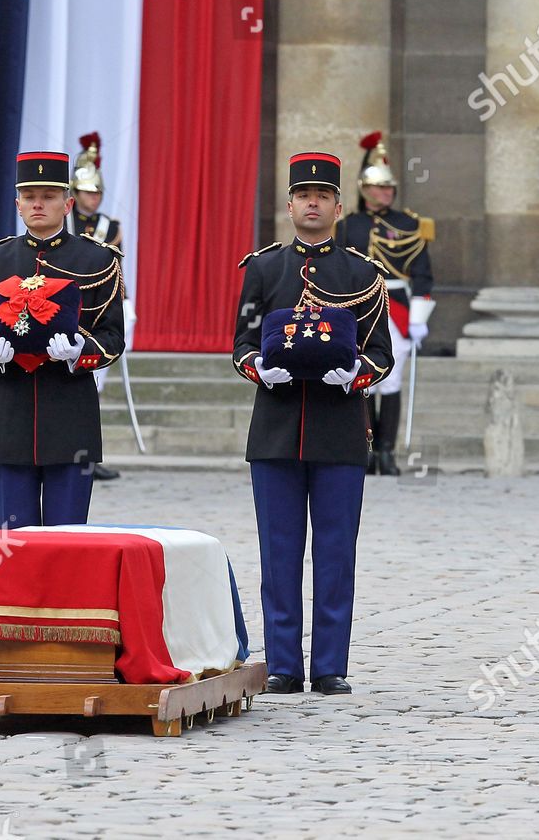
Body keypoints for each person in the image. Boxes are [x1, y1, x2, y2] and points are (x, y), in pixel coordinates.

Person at [233, 152, 393, 696]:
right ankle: (281, 663)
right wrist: (261, 369)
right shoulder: (263, 268)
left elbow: (381, 355)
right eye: (304, 196)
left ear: (339, 206)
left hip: (339, 429)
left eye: (323, 196)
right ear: (290, 205)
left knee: (335, 550)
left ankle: (329, 665)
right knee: (278, 552)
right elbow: (242, 344)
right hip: (276, 427)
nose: (313, 203)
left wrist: (353, 375)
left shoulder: (363, 273)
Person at [0, 151, 126, 528]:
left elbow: (113, 336)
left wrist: (78, 352)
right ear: (17, 203)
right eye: (30, 195)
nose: (38, 204)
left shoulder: (96, 259)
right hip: (9, 411)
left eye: (49, 196)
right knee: (14, 540)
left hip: (70, 412)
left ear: (67, 203)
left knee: (66, 540)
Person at [334, 131, 434, 476]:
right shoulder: (348, 226)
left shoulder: (409, 224)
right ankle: (366, 450)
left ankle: (388, 451)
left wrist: (420, 315)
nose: (386, 192)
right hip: (360, 304)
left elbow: (422, 272)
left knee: (391, 381)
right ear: (365, 190)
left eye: (389, 187)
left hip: (398, 305)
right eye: (379, 187)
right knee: (363, 378)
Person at [67, 132, 126, 481]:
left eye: (98, 192)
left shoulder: (110, 227)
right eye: (88, 191)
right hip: (63, 307)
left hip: (99, 309)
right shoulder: (64, 223)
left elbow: (116, 269)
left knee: (94, 384)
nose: (94, 197)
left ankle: (89, 456)